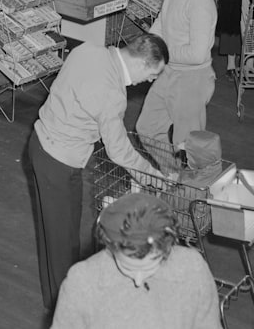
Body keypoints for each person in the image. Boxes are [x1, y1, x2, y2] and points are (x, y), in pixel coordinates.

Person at [29, 34, 170, 311]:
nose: (152, 79)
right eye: (153, 73)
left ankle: (54, 300)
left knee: (54, 235)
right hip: (60, 161)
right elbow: (119, 150)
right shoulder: (112, 94)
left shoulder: (88, 49)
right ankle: (67, 311)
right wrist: (150, 174)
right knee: (64, 242)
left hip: (40, 144)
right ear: (142, 63)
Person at [51, 192, 220, 329]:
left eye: (150, 267)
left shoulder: (192, 269)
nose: (138, 280)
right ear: (110, 248)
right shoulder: (82, 283)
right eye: (127, 267)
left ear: (168, 249)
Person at [135, 0, 217, 147]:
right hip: (169, 72)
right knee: (147, 129)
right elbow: (163, 22)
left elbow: (197, 54)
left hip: (192, 80)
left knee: (188, 144)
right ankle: (170, 175)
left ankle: (189, 180)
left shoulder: (200, 3)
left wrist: (161, 52)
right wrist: (146, 45)